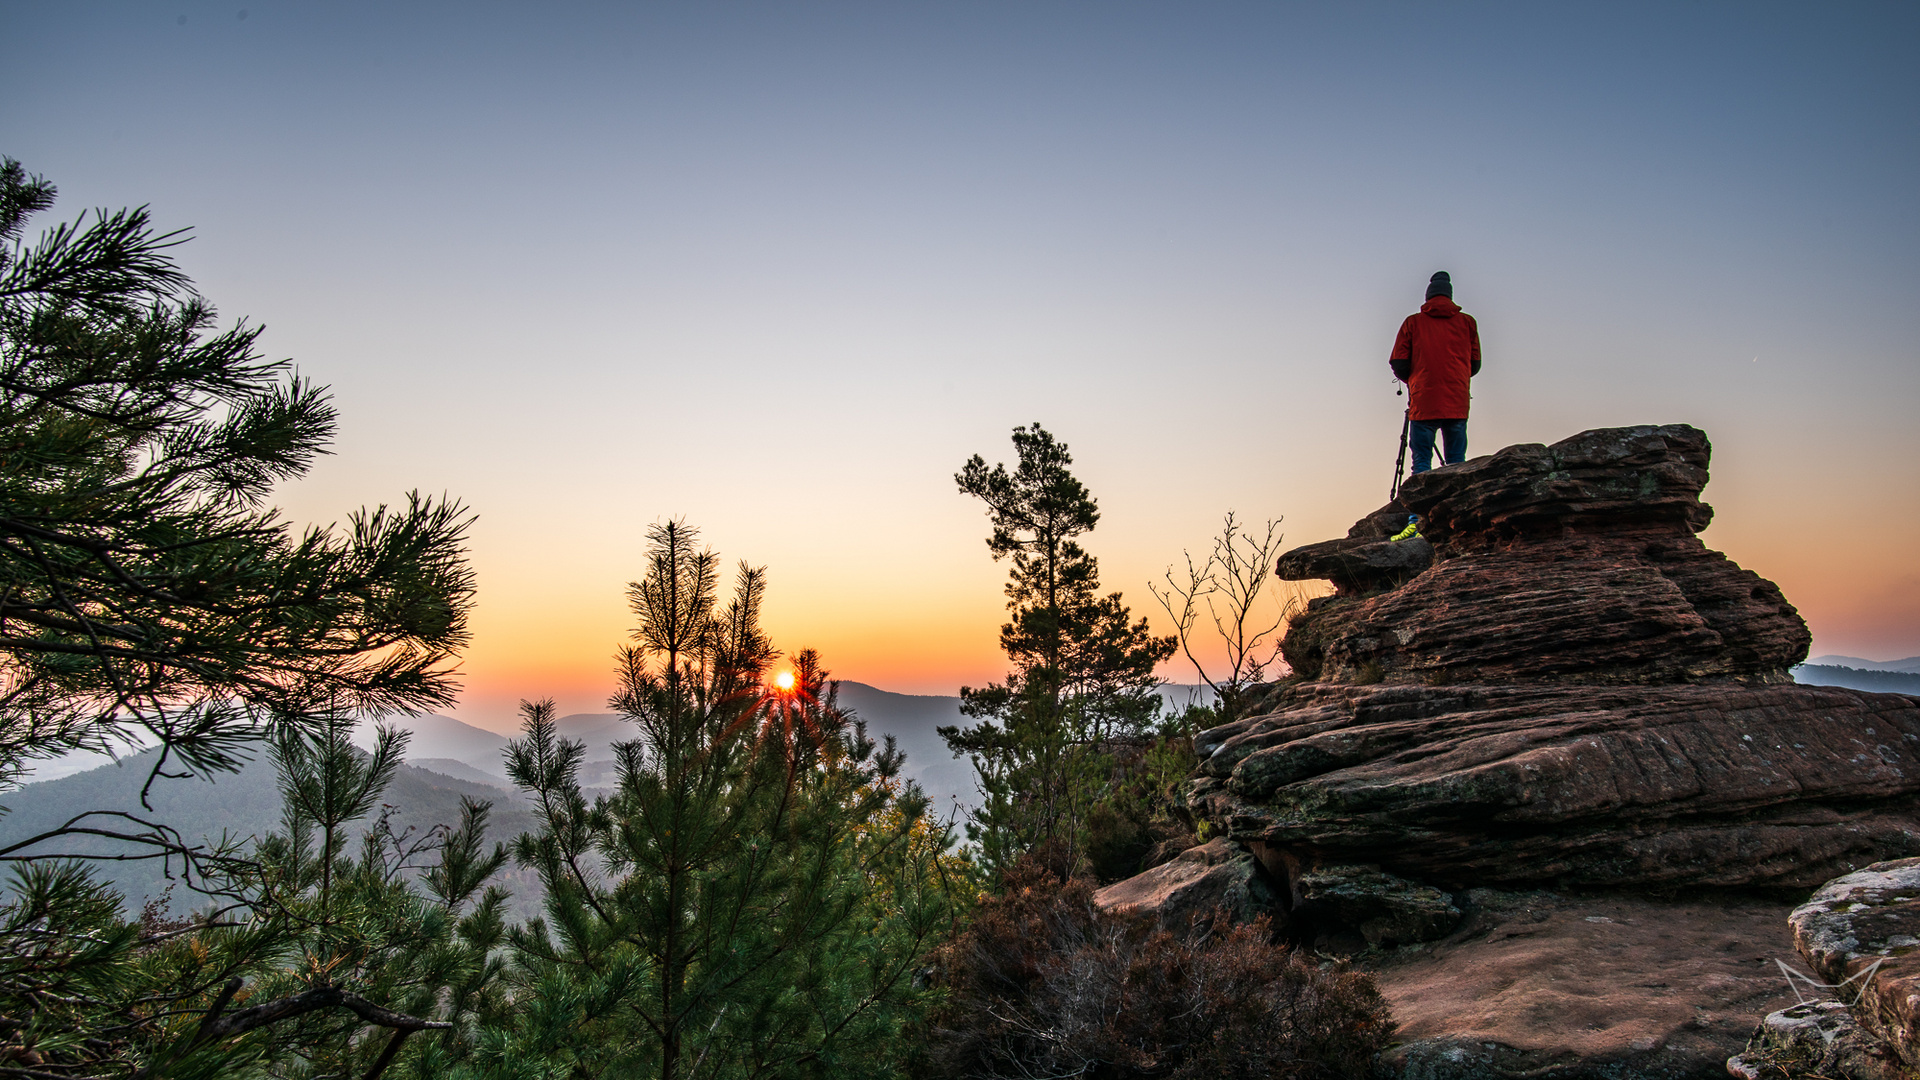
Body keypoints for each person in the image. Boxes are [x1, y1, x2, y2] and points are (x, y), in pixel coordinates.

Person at [1390, 271, 1481, 473]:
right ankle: (1456, 501)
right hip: (1456, 399)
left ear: (1428, 296)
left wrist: (1414, 380)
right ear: (1449, 295)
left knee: (1422, 460)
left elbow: (1398, 361)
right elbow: (1475, 364)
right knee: (1456, 460)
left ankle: (1421, 503)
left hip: (1424, 399)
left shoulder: (1412, 323)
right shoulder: (1467, 323)